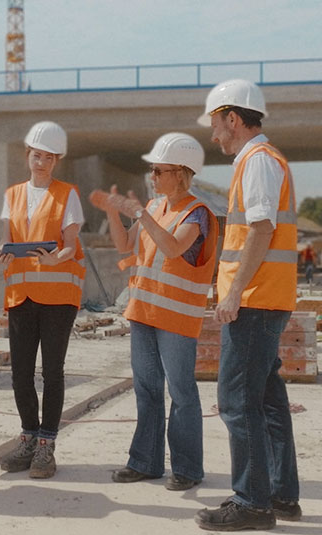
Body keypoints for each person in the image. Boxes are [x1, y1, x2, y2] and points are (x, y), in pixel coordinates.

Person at [194, 79, 301, 531]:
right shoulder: (263, 160)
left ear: (233, 119)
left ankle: (253, 503)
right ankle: (279, 494)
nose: (214, 134)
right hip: (267, 299)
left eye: (216, 125)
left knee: (237, 402)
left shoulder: (256, 162)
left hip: (254, 303)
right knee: (267, 401)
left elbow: (259, 230)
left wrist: (233, 292)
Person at [100, 133, 216, 492]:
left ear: (180, 173)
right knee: (147, 390)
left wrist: (140, 214)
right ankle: (145, 462)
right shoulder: (154, 208)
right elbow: (124, 245)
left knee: (181, 393)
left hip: (177, 319)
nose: (152, 177)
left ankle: (186, 469)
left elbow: (173, 247)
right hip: (144, 313)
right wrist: (112, 212)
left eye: (158, 170)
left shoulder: (198, 213)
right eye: (152, 170)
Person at [0, 121, 86, 479]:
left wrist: (56, 258)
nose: (42, 162)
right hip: (21, 295)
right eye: (37, 155)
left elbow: (70, 245)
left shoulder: (68, 194)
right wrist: (1, 253)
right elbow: (6, 239)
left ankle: (47, 444)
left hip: (58, 297)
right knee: (20, 374)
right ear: (27, 155)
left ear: (56, 160)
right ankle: (28, 436)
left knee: (51, 372)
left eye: (49, 157)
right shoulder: (13, 194)